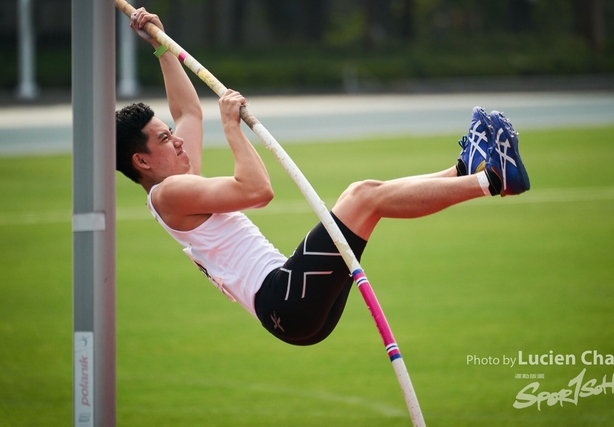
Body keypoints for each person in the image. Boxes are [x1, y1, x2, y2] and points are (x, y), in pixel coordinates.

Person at [116, 8, 530, 346]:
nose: (179, 141)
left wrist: (161, 46)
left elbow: (188, 112)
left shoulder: (178, 188)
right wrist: (231, 128)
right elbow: (258, 191)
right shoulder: (169, 193)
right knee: (363, 197)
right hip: (285, 300)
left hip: (292, 306)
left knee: (367, 197)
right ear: (143, 161)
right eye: (165, 138)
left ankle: (464, 169)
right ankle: (494, 180)